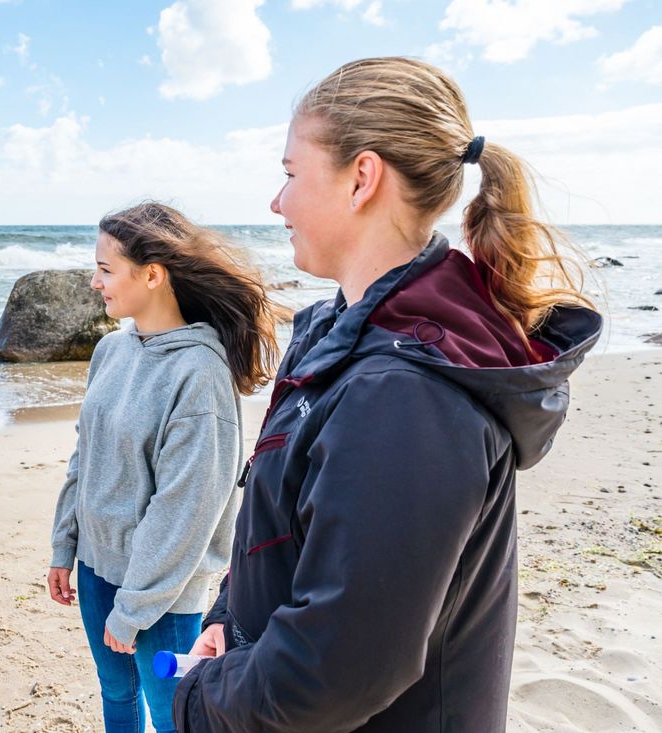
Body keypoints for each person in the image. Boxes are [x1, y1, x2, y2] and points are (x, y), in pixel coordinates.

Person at [173, 57, 602, 732]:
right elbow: (283, 532)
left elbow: (336, 671)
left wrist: (199, 696)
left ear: (361, 178)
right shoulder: (334, 338)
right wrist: (226, 620)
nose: (276, 202)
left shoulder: (404, 397)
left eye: (290, 174)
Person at [48, 202, 280, 733]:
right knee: (116, 695)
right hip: (96, 571)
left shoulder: (199, 373)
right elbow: (84, 458)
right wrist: (66, 545)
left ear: (152, 275)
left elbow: (187, 510)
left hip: (165, 597)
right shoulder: (110, 350)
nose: (94, 281)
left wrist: (135, 607)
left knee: (175, 715)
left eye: (106, 269)